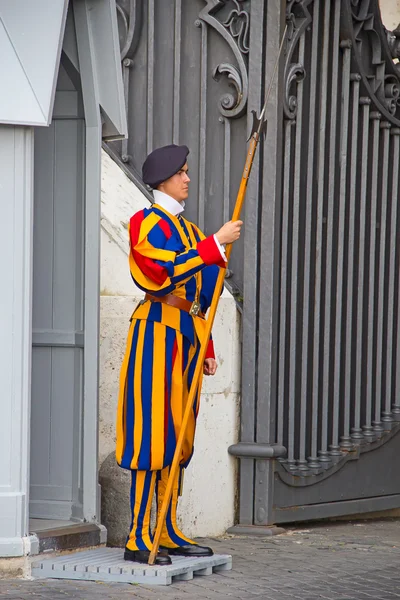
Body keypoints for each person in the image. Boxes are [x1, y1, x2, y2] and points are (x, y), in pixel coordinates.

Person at [116, 144, 242, 565]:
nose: (188, 179)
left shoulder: (189, 231)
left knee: (178, 435)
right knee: (150, 433)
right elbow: (160, 272)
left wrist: (205, 345)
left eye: (187, 171)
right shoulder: (144, 222)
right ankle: (138, 535)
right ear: (164, 179)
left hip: (185, 338)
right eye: (182, 173)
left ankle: (166, 529)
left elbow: (199, 298)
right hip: (154, 334)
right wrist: (214, 244)